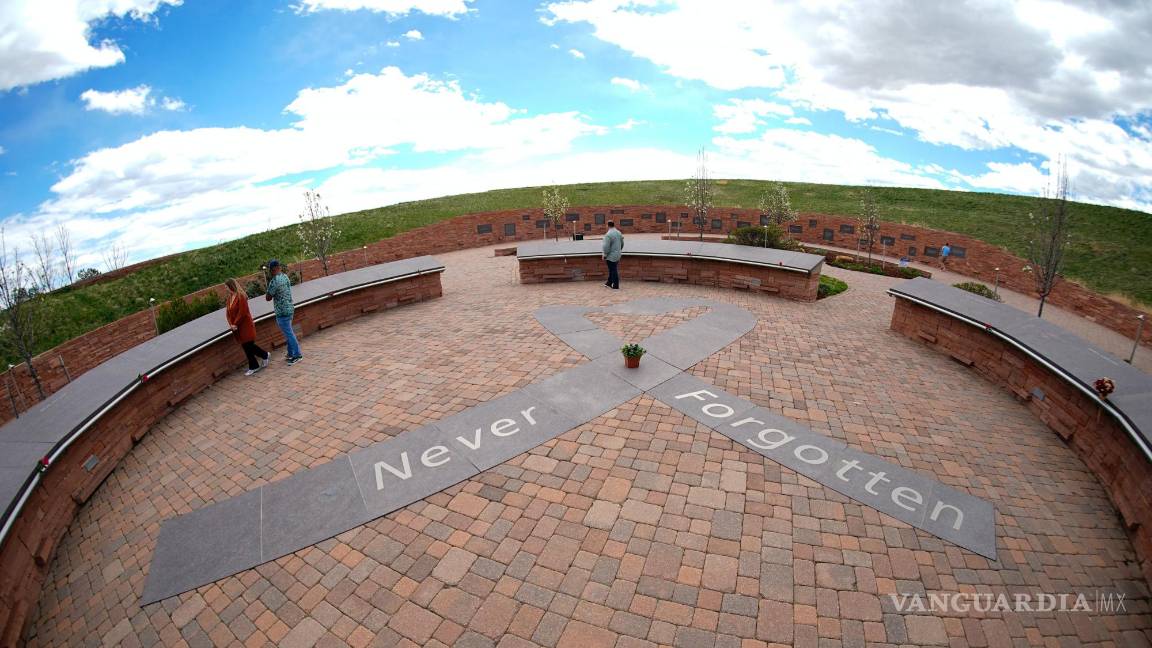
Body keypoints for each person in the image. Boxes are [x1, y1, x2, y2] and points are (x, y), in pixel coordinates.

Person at [225, 278, 269, 376]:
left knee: (248, 346)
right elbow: (228, 313)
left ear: (231, 286)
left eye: (226, 287)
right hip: (237, 328)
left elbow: (243, 312)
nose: (226, 289)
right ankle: (261, 358)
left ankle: (257, 363)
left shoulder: (241, 296)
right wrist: (231, 324)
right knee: (247, 346)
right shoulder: (229, 298)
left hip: (245, 326)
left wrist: (235, 324)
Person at [264, 260, 302, 365]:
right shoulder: (285, 277)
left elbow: (268, 297)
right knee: (289, 332)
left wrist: (268, 288)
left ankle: (297, 355)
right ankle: (290, 353)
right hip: (290, 308)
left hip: (281, 312)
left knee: (289, 334)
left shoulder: (274, 281)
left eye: (270, 270)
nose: (270, 272)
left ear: (273, 269)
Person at [602, 220, 624, 289]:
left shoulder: (608, 234)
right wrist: (618, 250)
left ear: (608, 225)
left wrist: (605, 254)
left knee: (613, 270)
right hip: (618, 255)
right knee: (612, 269)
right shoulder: (619, 232)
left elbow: (606, 247)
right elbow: (622, 243)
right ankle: (609, 282)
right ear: (613, 225)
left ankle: (616, 285)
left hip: (611, 256)